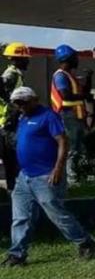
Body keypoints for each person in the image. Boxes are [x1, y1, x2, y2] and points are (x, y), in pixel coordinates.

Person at [2, 87, 95, 267]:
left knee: (57, 215)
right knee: (21, 218)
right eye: (17, 104)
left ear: (34, 99)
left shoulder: (48, 116)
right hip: (25, 177)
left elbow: (63, 141)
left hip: (45, 176)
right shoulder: (23, 118)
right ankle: (17, 254)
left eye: (23, 103)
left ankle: (86, 243)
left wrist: (58, 169)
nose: (20, 107)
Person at [50, 44, 92, 178]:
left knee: (80, 147)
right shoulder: (60, 76)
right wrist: (84, 96)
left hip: (77, 116)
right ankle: (70, 177)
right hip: (67, 115)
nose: (77, 60)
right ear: (68, 59)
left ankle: (80, 174)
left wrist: (89, 78)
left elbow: (84, 92)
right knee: (71, 147)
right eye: (75, 57)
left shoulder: (70, 76)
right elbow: (65, 95)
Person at [0, 42, 31, 190]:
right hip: (8, 122)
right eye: (25, 58)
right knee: (12, 157)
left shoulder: (16, 75)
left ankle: (15, 188)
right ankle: (14, 189)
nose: (28, 61)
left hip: (12, 120)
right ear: (17, 59)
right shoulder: (10, 75)